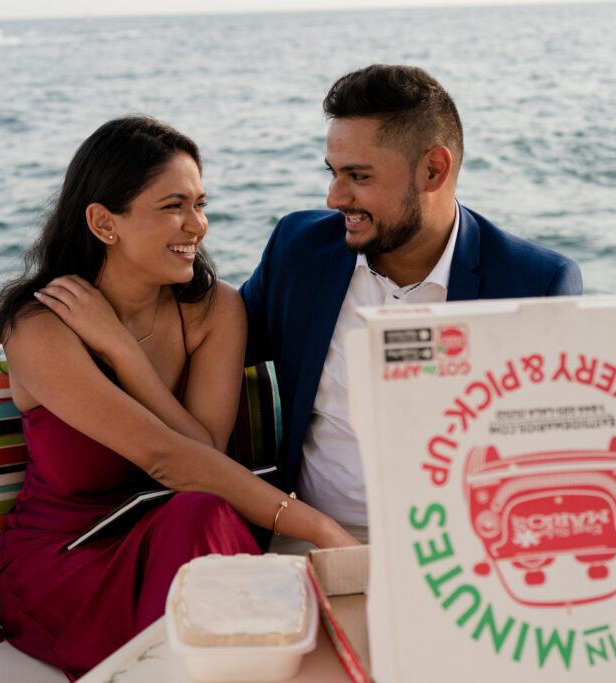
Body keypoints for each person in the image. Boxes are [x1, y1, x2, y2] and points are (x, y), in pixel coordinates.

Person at [0, 116, 357, 679]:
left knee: (200, 511)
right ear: (105, 223)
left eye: (200, 204)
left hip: (185, 528)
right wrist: (319, 528)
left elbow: (203, 449)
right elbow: (167, 458)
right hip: (73, 557)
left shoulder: (215, 310)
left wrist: (124, 355)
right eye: (173, 206)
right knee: (201, 514)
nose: (196, 225)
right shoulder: (40, 328)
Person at [240, 64, 583, 552]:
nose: (335, 197)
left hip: (468, 548)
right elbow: (215, 336)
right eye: (333, 173)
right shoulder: (299, 250)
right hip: (308, 539)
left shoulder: (536, 285)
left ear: (433, 170)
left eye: (358, 176)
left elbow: (552, 458)